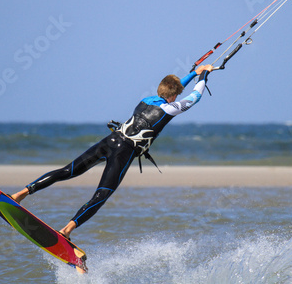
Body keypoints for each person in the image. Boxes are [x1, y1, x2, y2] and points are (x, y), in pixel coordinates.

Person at [11, 64, 214, 239]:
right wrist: (204, 75)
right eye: (176, 95)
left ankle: (20, 194)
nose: (176, 98)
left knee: (68, 171)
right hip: (123, 153)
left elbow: (173, 90)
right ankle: (66, 230)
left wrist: (194, 73)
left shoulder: (147, 99)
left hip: (109, 141)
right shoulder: (169, 109)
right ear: (172, 96)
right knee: (102, 194)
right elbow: (195, 97)